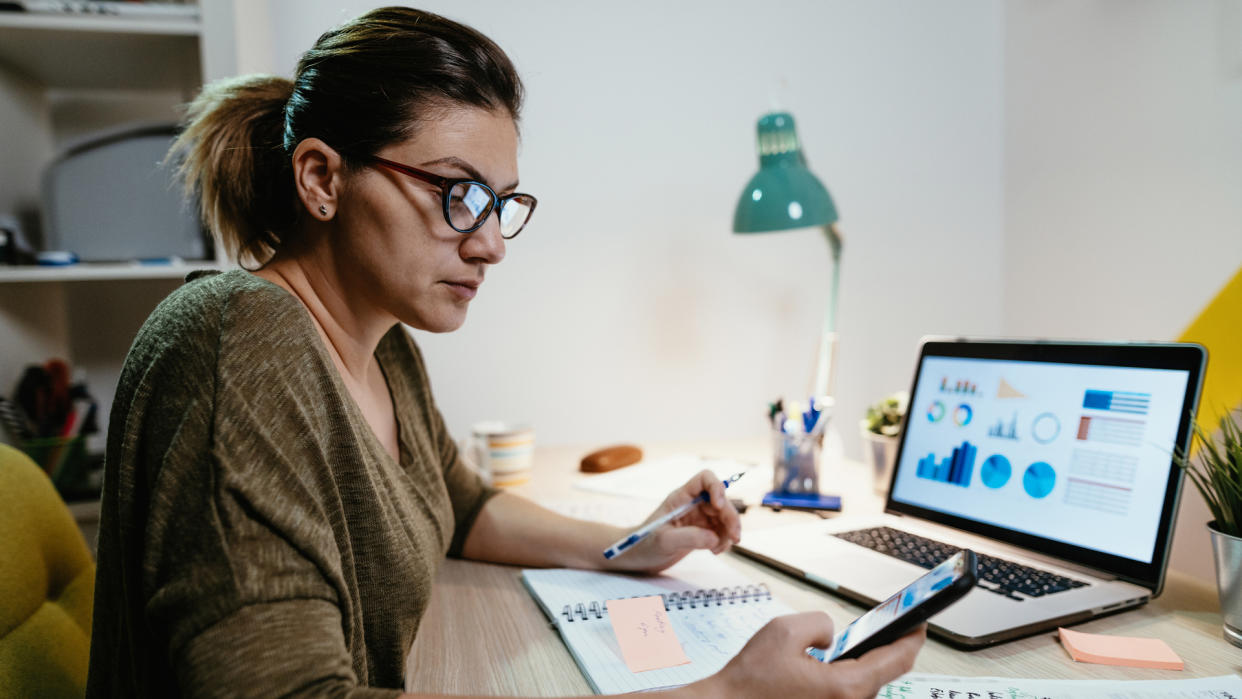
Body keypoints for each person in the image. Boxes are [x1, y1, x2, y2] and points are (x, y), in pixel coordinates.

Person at [85, 7, 924, 698]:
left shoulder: (385, 347)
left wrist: (632, 540)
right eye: (458, 196)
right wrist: (725, 693)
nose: (491, 245)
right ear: (322, 178)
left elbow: (461, 505)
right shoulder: (239, 340)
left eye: (501, 203)